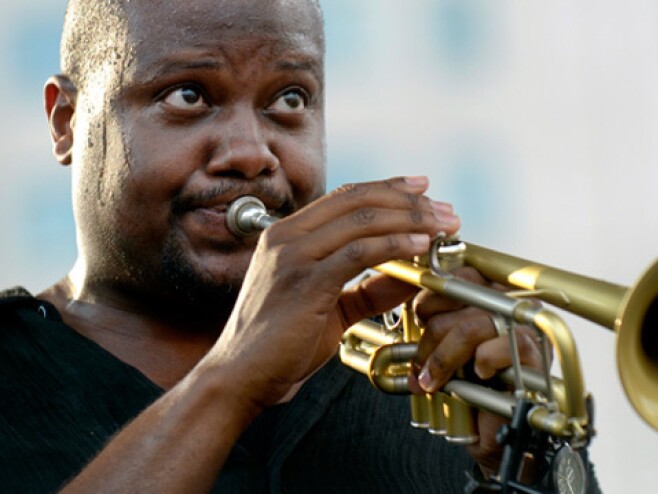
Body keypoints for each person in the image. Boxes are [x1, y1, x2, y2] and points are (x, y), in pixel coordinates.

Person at [0, 0, 600, 492]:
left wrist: (521, 459)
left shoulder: (416, 371)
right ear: (68, 122)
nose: (251, 152)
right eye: (189, 95)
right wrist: (235, 375)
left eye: (289, 99)